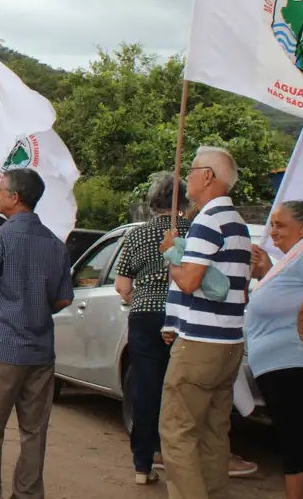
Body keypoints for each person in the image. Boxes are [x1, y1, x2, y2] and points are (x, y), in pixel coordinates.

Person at [0, 168, 73, 499]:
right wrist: (37, 310)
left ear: (15, 198)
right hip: (41, 351)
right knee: (34, 432)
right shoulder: (55, 243)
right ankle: (28, 494)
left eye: (1, 190)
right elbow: (63, 298)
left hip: (4, 348)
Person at [158, 147, 251, 499]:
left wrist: (170, 252)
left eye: (193, 170)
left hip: (199, 344)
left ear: (208, 176)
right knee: (215, 434)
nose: (188, 178)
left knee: (177, 432)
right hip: (228, 343)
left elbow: (190, 281)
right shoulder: (237, 223)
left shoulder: (208, 220)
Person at [246, 200, 303, 499]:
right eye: (271, 224)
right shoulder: (291, 257)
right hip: (294, 362)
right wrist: (266, 273)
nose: (273, 231)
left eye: (280, 224)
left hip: (296, 362)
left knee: (296, 440)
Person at [113, 173, 192, 485]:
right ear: (184, 202)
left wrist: (141, 296)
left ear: (151, 203)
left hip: (145, 317)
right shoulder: (194, 232)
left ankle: (142, 465)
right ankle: (181, 462)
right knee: (182, 389)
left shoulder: (137, 235)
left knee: (146, 389)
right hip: (184, 317)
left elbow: (122, 285)